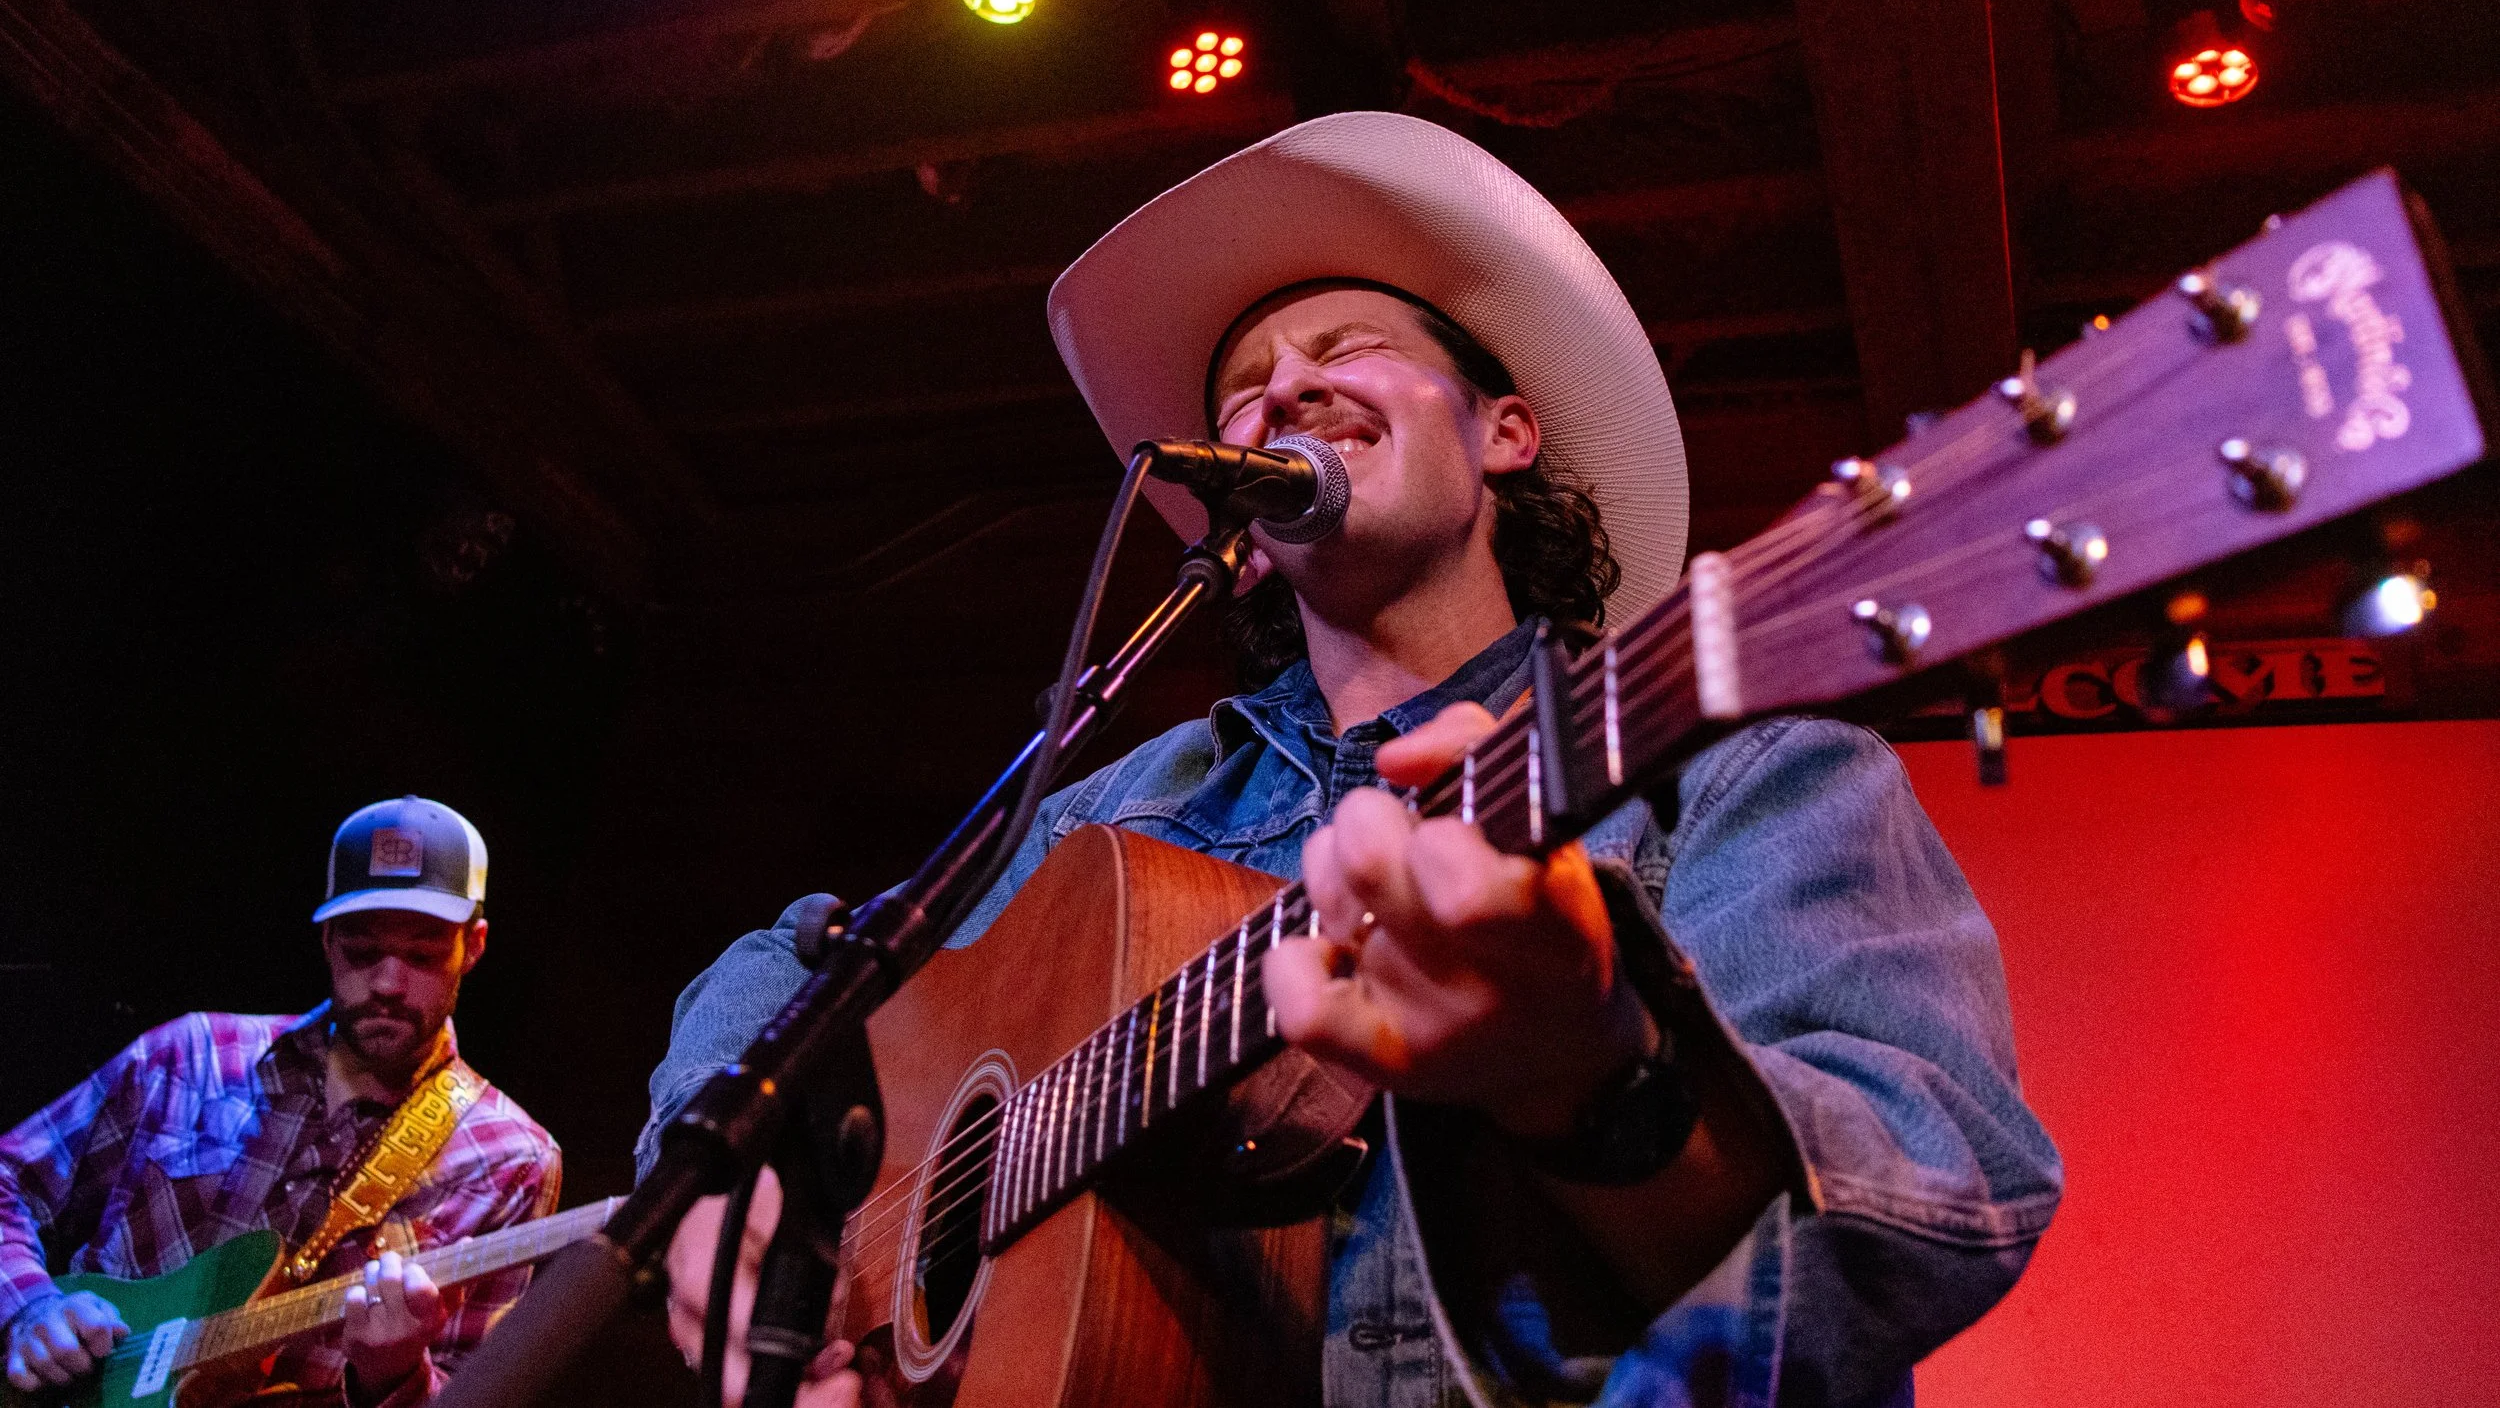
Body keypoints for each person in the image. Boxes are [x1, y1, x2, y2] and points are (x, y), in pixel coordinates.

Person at [640, 113, 2064, 1407]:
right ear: (1239, 530)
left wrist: (1598, 1072)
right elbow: (799, 960)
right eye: (1247, 387)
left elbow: (1936, 1191)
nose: (1286, 390)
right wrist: (734, 1183)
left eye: (1348, 347)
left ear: (1507, 431)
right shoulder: (1127, 804)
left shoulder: (1730, 762)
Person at [0, 797, 561, 1408]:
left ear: (472, 947)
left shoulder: (511, 1158)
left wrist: (397, 1374)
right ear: (326, 940)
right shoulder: (193, 1056)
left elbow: (473, 1393)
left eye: (423, 956)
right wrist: (30, 1307)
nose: (388, 985)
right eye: (362, 952)